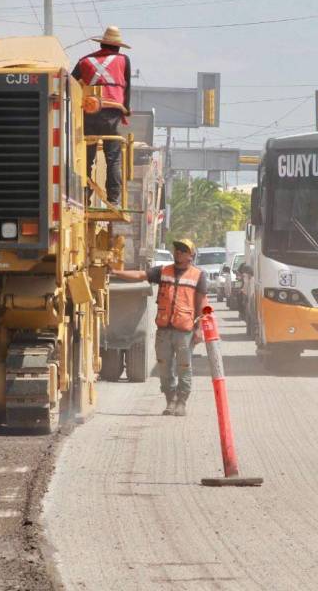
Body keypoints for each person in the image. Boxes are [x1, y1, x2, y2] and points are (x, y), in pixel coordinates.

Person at [112, 239, 208, 416]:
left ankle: (181, 401)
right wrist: (116, 272)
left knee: (184, 367)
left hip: (185, 331)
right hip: (164, 330)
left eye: (183, 250)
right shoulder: (163, 271)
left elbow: (203, 303)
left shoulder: (198, 275)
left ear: (191, 255)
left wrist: (200, 329)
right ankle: (170, 400)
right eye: (177, 249)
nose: (178, 252)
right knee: (164, 367)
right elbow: (141, 275)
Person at [72, 25, 131, 205]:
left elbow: (72, 83)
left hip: (89, 112)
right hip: (112, 113)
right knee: (112, 157)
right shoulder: (123, 60)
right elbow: (127, 88)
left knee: (87, 158)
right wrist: (125, 112)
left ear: (102, 44)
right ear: (118, 46)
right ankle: (113, 199)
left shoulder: (84, 61)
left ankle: (84, 197)